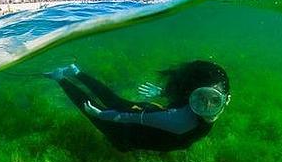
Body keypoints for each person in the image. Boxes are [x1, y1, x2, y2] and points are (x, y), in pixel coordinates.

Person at [46, 60, 231, 152]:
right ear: (192, 96)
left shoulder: (187, 106)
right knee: (95, 109)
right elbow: (133, 118)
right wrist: (102, 115)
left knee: (112, 99)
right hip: (132, 130)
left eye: (215, 101)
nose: (207, 107)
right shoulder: (179, 121)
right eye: (200, 99)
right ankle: (60, 77)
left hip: (151, 114)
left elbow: (184, 96)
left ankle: (76, 72)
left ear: (227, 99)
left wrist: (162, 93)